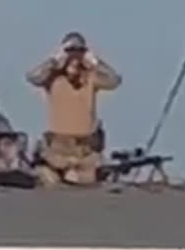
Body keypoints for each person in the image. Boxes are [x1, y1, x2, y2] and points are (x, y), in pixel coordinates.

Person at [25, 32, 121, 186]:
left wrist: (95, 61)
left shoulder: (90, 78)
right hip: (58, 149)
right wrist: (54, 60)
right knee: (50, 180)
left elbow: (114, 80)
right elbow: (32, 77)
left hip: (85, 150)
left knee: (84, 182)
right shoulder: (53, 78)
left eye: (79, 51)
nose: (74, 57)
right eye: (70, 52)